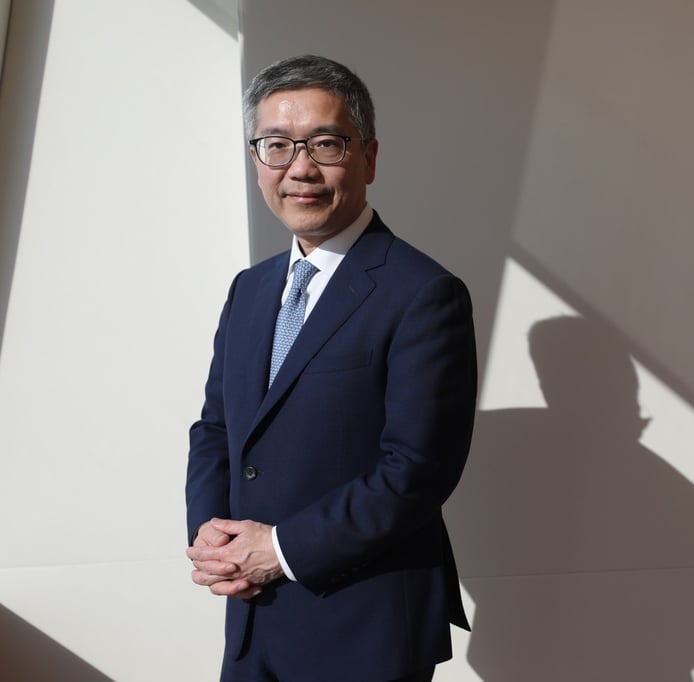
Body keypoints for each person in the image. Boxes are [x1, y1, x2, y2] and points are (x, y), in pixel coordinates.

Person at [185, 54, 477, 682]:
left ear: (369, 157)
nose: (300, 168)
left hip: (362, 628)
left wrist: (279, 550)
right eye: (276, 146)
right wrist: (211, 534)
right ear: (256, 160)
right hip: (254, 621)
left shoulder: (424, 292)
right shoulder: (251, 289)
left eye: (326, 143)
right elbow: (216, 429)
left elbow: (416, 471)